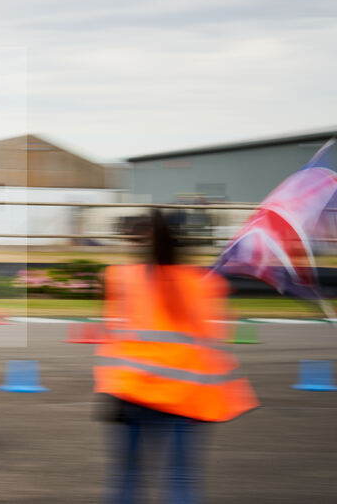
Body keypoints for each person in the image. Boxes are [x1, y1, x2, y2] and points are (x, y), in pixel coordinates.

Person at [95, 209, 258, 504]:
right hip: (183, 399)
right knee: (181, 480)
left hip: (131, 393)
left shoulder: (121, 278)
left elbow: (111, 329)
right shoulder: (204, 284)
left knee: (127, 479)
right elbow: (214, 344)